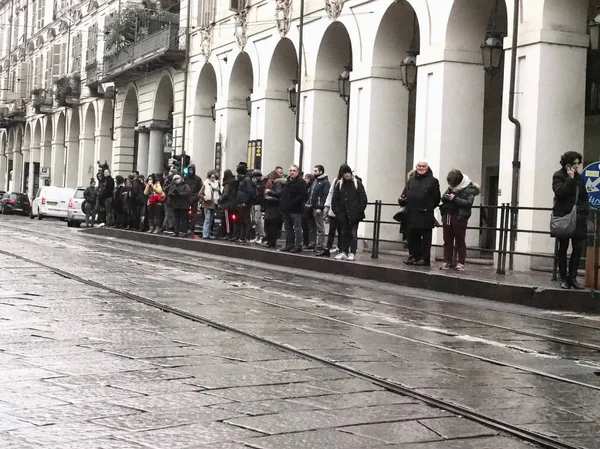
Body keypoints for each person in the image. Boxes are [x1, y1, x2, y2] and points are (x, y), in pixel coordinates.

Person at [552, 151, 588, 289]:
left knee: (578, 247)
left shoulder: (580, 178)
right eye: (575, 163)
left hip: (578, 217)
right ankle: (564, 278)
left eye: (578, 163)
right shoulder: (558, 176)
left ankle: (573, 277)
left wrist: (584, 211)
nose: (577, 166)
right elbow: (560, 192)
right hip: (564, 217)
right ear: (567, 164)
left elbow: (584, 196)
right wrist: (570, 179)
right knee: (563, 247)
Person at [399, 160, 441, 266]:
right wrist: (402, 200)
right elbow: (405, 193)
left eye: (423, 166)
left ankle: (425, 258)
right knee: (412, 237)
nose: (421, 168)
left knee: (426, 238)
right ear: (416, 167)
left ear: (427, 168)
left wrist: (428, 207)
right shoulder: (411, 180)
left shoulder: (433, 181)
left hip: (425, 214)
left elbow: (436, 198)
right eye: (419, 166)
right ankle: (414, 256)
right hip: (412, 213)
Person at [440, 169, 480, 271]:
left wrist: (454, 199)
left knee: (460, 240)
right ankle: (447, 261)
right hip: (448, 215)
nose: (452, 186)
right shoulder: (451, 188)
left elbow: (468, 204)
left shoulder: (470, 189)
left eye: (453, 184)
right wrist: (445, 197)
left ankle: (461, 262)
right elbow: (442, 198)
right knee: (447, 240)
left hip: (460, 217)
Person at [331, 164, 368, 261]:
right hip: (343, 214)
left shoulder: (357, 183)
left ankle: (352, 252)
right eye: (345, 173)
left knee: (353, 234)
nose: (347, 175)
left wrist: (358, 211)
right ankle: (344, 251)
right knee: (343, 233)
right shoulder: (339, 184)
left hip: (354, 215)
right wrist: (337, 212)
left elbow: (363, 199)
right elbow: (334, 199)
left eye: (348, 173)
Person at [279, 164, 308, 253]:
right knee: (288, 228)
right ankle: (289, 244)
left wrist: (293, 202)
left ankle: (298, 245)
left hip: (296, 209)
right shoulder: (288, 181)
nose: (292, 172)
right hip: (286, 209)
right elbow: (284, 194)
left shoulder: (301, 182)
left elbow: (303, 195)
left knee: (297, 228)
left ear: (297, 172)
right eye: (290, 170)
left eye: (294, 171)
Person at [307, 165, 330, 251]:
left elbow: (324, 195)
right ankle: (312, 243)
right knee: (312, 226)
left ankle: (320, 244)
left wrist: (320, 207)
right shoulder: (316, 181)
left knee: (320, 227)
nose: (314, 172)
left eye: (316, 171)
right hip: (312, 206)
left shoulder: (325, 182)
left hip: (318, 207)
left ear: (321, 172)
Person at [263, 170, 286, 248]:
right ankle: (270, 241)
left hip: (274, 209)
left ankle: (271, 242)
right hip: (273, 209)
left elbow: (278, 194)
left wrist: (269, 192)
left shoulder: (277, 184)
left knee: (272, 227)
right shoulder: (276, 184)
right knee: (270, 226)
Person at [235, 166, 255, 244]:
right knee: (243, 221)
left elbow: (249, 191)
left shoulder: (246, 180)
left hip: (244, 203)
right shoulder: (243, 179)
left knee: (246, 221)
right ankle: (242, 237)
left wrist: (245, 202)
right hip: (241, 202)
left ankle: (246, 238)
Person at [200, 170, 220, 238]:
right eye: (212, 177)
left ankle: (208, 233)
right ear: (209, 177)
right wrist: (204, 197)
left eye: (214, 177)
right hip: (207, 204)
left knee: (211, 220)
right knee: (207, 219)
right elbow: (199, 194)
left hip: (213, 204)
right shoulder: (206, 184)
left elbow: (218, 193)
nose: (213, 179)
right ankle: (205, 234)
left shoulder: (216, 185)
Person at [184, 164, 203, 237]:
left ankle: (192, 228)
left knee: (193, 215)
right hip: (186, 199)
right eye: (189, 170)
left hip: (194, 199)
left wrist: (195, 197)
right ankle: (186, 228)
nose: (190, 171)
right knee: (186, 214)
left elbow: (199, 190)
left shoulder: (198, 179)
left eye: (191, 170)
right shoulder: (186, 178)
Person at [219, 169, 237, 239]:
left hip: (226, 205)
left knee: (226, 220)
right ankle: (232, 233)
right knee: (232, 220)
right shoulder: (234, 183)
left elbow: (225, 194)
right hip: (233, 204)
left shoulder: (227, 184)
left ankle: (228, 234)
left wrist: (220, 200)